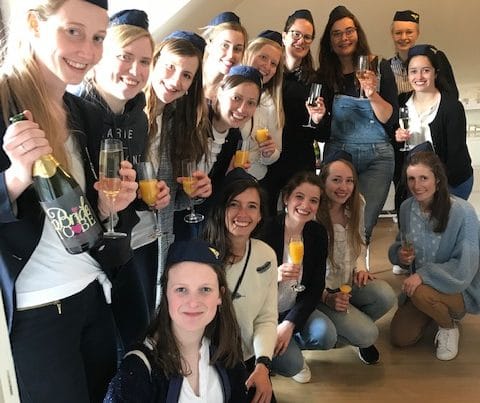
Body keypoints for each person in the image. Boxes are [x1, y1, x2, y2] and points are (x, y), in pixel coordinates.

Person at [0, 0, 139, 401]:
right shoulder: (3, 103)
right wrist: (14, 178)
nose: (87, 51)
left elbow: (92, 210)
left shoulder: (85, 113)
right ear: (34, 24)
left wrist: (112, 207)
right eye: (73, 31)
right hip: (35, 312)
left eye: (98, 38)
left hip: (92, 293)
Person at [75, 8, 171, 351]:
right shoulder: (73, 111)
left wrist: (148, 197)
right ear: (100, 56)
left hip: (123, 246)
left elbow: (129, 185)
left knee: (136, 341)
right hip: (81, 256)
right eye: (125, 57)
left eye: (144, 62)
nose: (135, 71)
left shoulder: (138, 118)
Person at [104, 240, 248, 402]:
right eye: (181, 289)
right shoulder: (139, 370)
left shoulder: (227, 354)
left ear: (220, 295)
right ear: (166, 293)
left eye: (205, 289)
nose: (193, 302)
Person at [318, 5, 398, 255]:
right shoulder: (325, 75)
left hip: (378, 157)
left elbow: (390, 119)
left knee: (363, 223)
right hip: (339, 154)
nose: (344, 38)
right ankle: (331, 271)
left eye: (349, 31)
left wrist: (372, 93)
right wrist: (318, 118)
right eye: (337, 33)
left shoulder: (379, 66)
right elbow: (322, 130)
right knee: (332, 219)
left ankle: (355, 271)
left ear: (358, 33)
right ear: (330, 41)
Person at [143, 31, 212, 308]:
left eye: (186, 75)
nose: (175, 81)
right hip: (128, 239)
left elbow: (172, 200)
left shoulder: (176, 122)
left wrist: (197, 193)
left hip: (158, 236)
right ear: (154, 62)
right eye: (170, 67)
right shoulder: (131, 115)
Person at [389, 151, 480, 361]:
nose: (417, 185)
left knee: (420, 292)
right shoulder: (406, 208)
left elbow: (464, 267)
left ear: (437, 180)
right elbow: (400, 243)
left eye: (424, 178)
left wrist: (423, 275)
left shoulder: (463, 212)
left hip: (459, 288)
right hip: (421, 286)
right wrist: (400, 255)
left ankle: (448, 327)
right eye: (411, 179)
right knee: (400, 338)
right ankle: (433, 310)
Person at [204, 169, 278, 403]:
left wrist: (263, 364)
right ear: (221, 210)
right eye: (234, 204)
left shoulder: (266, 254)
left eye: (252, 206)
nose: (243, 214)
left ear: (260, 215)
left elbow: (266, 318)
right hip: (205, 363)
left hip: (247, 361)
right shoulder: (200, 258)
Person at [316, 151, 396, 364]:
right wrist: (326, 296)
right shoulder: (313, 212)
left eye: (349, 181)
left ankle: (353, 325)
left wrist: (360, 267)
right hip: (320, 291)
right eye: (336, 180)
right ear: (323, 181)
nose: (343, 187)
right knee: (368, 334)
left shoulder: (357, 202)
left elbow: (359, 240)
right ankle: (350, 332)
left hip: (347, 281)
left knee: (385, 296)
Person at [259, 172, 335, 384]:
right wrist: (274, 275)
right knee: (292, 365)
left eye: (313, 200)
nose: (305, 205)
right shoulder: (265, 229)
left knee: (326, 334)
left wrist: (289, 323)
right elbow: (248, 281)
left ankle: (287, 342)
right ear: (286, 198)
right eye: (299, 197)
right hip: (264, 312)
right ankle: (269, 354)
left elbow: (316, 286)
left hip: (292, 308)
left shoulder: (317, 233)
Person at [173, 65, 263, 241]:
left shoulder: (235, 137)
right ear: (220, 92)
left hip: (200, 222)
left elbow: (214, 192)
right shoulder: (193, 121)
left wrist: (231, 176)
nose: (242, 109)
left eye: (251, 103)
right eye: (236, 98)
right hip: (170, 216)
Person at [262, 9, 328, 215]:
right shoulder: (268, 74)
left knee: (300, 218)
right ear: (284, 36)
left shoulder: (316, 81)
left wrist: (317, 120)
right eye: (296, 34)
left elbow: (323, 135)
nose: (301, 41)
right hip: (267, 158)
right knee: (265, 218)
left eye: (307, 37)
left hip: (300, 160)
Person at [395, 44, 473, 200]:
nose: (419, 77)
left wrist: (435, 186)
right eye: (413, 71)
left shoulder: (451, 107)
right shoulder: (401, 102)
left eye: (426, 70)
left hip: (451, 181)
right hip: (416, 181)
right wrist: (396, 136)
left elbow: (456, 156)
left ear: (435, 73)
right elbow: (394, 146)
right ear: (407, 74)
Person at [241, 30, 283, 181]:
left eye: (273, 64)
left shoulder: (271, 103)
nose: (267, 66)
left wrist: (269, 153)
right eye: (263, 57)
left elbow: (275, 152)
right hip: (223, 177)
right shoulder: (228, 91)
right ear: (249, 53)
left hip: (253, 180)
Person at [201, 11, 248, 102]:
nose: (231, 55)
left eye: (237, 49)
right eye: (225, 45)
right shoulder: (189, 77)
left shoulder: (233, 91)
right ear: (209, 45)